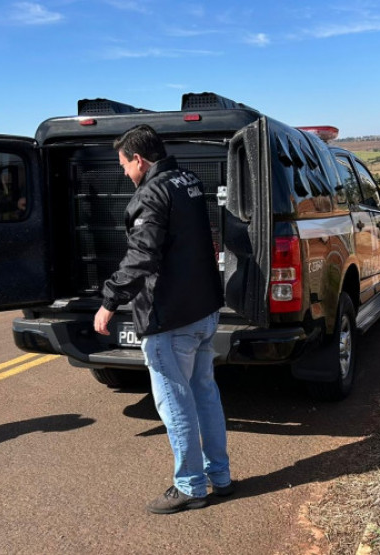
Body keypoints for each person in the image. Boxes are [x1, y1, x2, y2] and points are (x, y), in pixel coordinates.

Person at [93, 124, 233, 514]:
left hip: (170, 318)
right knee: (205, 394)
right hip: (204, 310)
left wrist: (109, 301)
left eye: (124, 164)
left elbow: (143, 256)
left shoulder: (151, 192)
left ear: (139, 159)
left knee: (176, 402)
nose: (124, 173)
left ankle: (190, 486)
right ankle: (219, 477)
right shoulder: (187, 180)